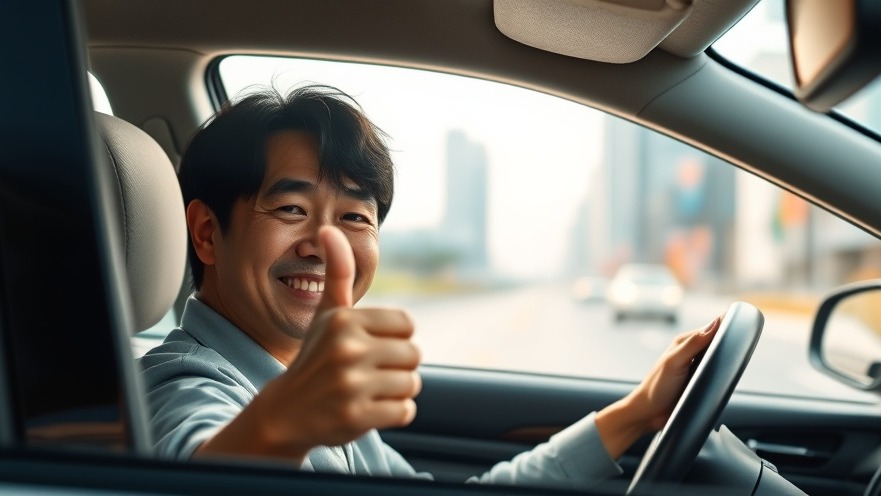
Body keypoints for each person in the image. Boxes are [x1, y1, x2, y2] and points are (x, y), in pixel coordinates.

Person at [140, 84, 721, 489]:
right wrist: (283, 426)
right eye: (291, 208)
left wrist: (637, 412)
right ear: (208, 234)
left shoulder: (318, 389)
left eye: (355, 218)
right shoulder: (176, 383)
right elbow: (193, 467)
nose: (327, 244)